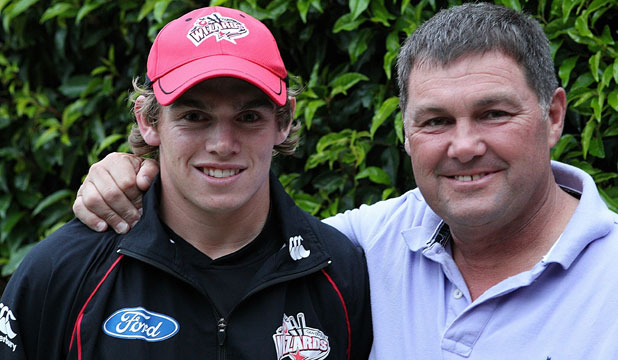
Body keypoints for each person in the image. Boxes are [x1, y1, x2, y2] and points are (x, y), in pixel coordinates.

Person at [59, 2, 618, 359]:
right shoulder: (359, 248)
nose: (464, 145)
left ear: (552, 116)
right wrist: (133, 176)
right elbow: (229, 226)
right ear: (404, 133)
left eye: (494, 113)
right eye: (435, 120)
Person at [0, 6, 373, 359]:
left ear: (284, 121)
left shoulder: (340, 271)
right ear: (148, 120)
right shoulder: (62, 271)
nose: (222, 145)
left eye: (248, 116)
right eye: (194, 116)